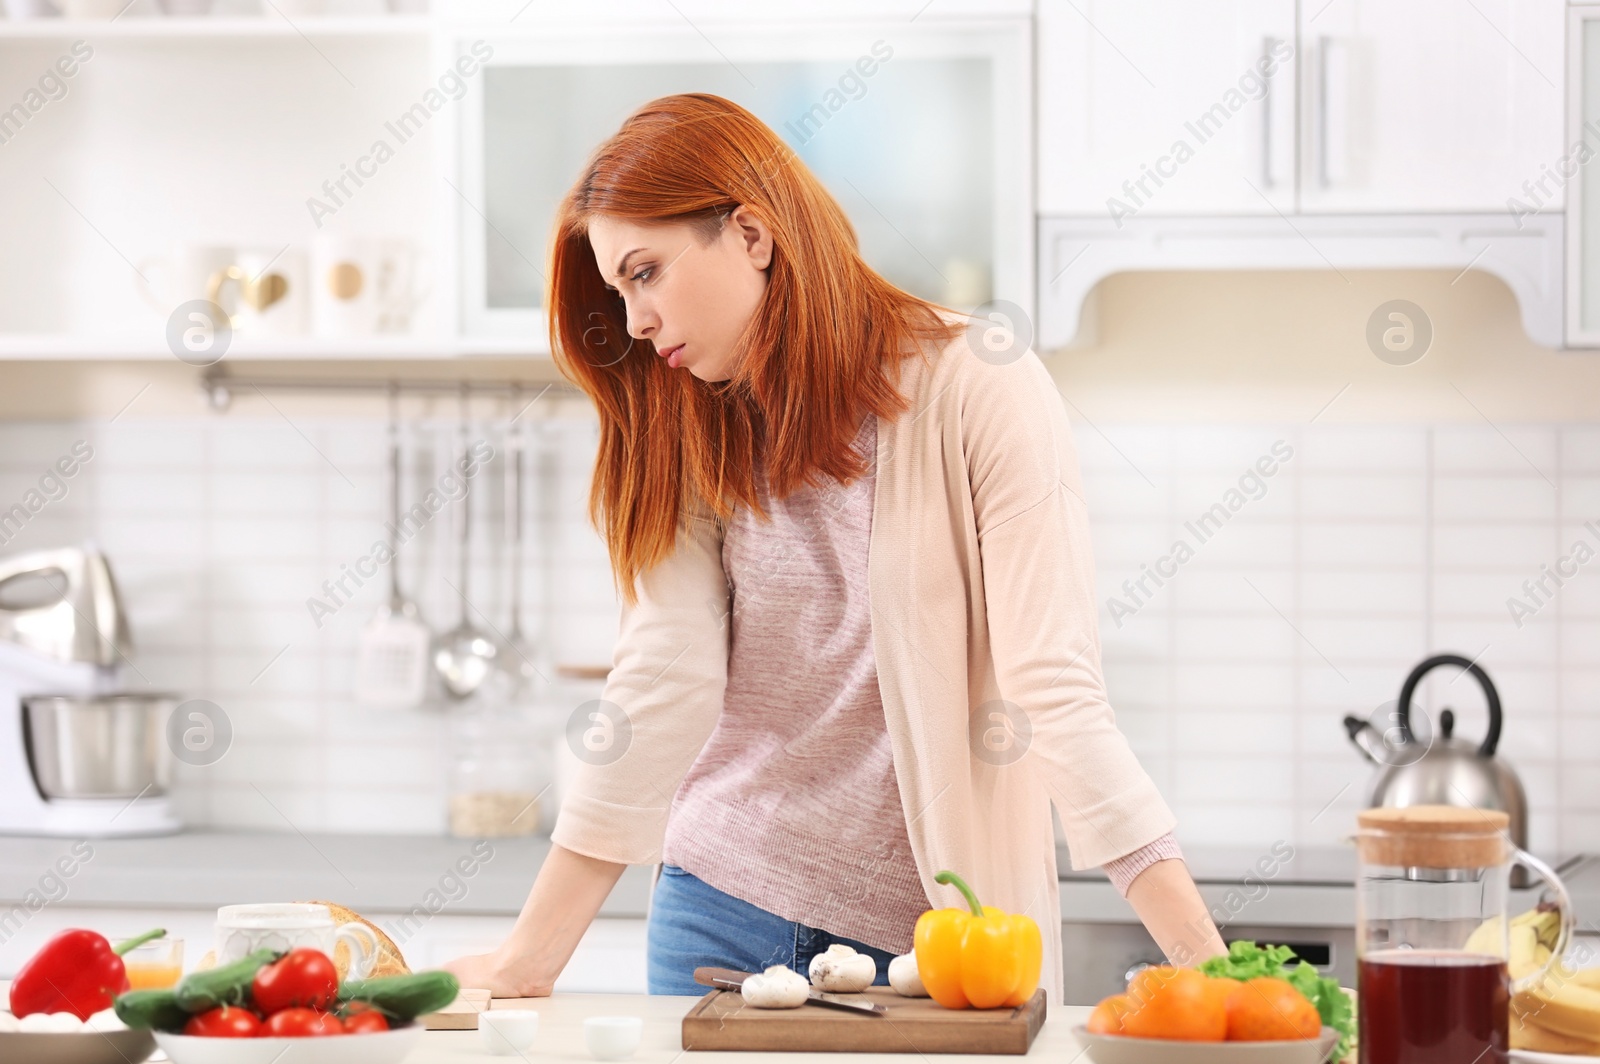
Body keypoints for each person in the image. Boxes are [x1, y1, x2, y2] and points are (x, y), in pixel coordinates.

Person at [444, 92, 1225, 1004]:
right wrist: (529, 958)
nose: (635, 320)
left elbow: (1051, 681)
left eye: (646, 272)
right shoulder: (687, 424)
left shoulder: (977, 383)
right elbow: (663, 679)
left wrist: (1212, 967)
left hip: (938, 939)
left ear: (752, 234)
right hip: (717, 909)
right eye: (619, 292)